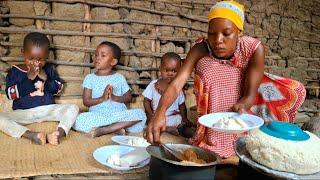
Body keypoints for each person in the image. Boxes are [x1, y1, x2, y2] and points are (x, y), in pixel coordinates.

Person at [145, 1, 306, 159]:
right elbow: (177, 83)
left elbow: (250, 95)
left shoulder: (253, 49)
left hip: (243, 111)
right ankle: (211, 137)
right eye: (212, 33)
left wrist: (242, 105)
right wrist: (160, 112)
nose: (218, 40)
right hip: (211, 112)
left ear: (239, 32)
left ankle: (237, 140)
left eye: (226, 33)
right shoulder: (201, 48)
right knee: (209, 65)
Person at [1, 32, 79, 145]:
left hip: (47, 110)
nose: (36, 63)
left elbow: (58, 88)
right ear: (23, 52)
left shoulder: (48, 69)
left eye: (41, 59)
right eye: (31, 58)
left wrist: (46, 79)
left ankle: (58, 134)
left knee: (73, 108)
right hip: (24, 113)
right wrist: (29, 79)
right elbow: (10, 94)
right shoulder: (15, 71)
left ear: (47, 56)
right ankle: (31, 135)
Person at [73, 41, 146, 137]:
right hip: (98, 115)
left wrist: (115, 97)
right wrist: (102, 98)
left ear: (113, 62)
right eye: (96, 55)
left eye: (103, 55)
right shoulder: (90, 78)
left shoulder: (119, 77)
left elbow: (129, 97)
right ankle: (116, 128)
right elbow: (86, 102)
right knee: (78, 120)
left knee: (140, 114)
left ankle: (106, 130)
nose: (97, 58)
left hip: (118, 114)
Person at [143, 52, 193, 136]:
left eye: (174, 71)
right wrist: (150, 113)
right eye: (166, 70)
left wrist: (185, 118)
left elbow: (182, 105)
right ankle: (167, 129)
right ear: (160, 69)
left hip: (172, 117)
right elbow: (146, 101)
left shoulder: (178, 87)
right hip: (156, 116)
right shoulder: (153, 85)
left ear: (180, 71)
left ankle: (178, 129)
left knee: (179, 119)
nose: (170, 73)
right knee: (149, 121)